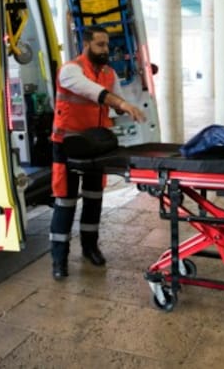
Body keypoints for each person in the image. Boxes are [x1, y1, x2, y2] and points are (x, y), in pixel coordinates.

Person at [50, 25, 146, 280]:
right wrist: (122, 103)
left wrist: (129, 113)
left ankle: (90, 247)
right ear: (87, 45)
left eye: (107, 45)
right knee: (66, 201)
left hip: (95, 145)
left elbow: (117, 107)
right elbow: (95, 93)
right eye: (100, 45)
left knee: (94, 198)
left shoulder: (109, 73)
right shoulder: (71, 70)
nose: (106, 50)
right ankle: (59, 258)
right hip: (67, 144)